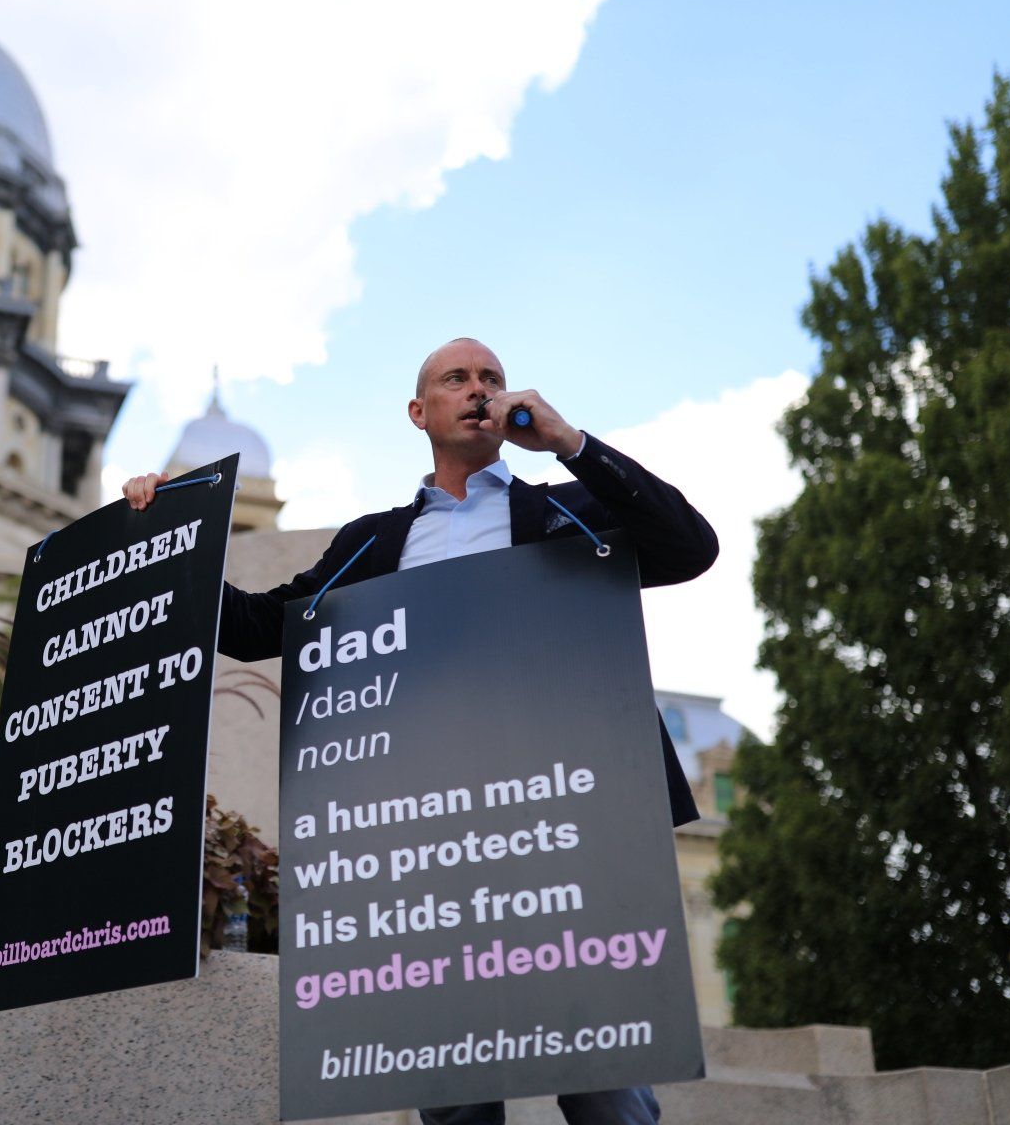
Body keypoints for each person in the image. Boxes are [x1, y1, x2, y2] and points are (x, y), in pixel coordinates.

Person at [124, 337, 718, 1125]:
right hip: (434, 844)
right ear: (419, 412)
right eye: (456, 378)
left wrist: (570, 445)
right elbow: (258, 625)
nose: (479, 390)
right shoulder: (373, 543)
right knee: (455, 1094)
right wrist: (168, 535)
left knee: (606, 1084)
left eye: (493, 378)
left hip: (572, 826)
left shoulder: (566, 509)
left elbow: (691, 547)